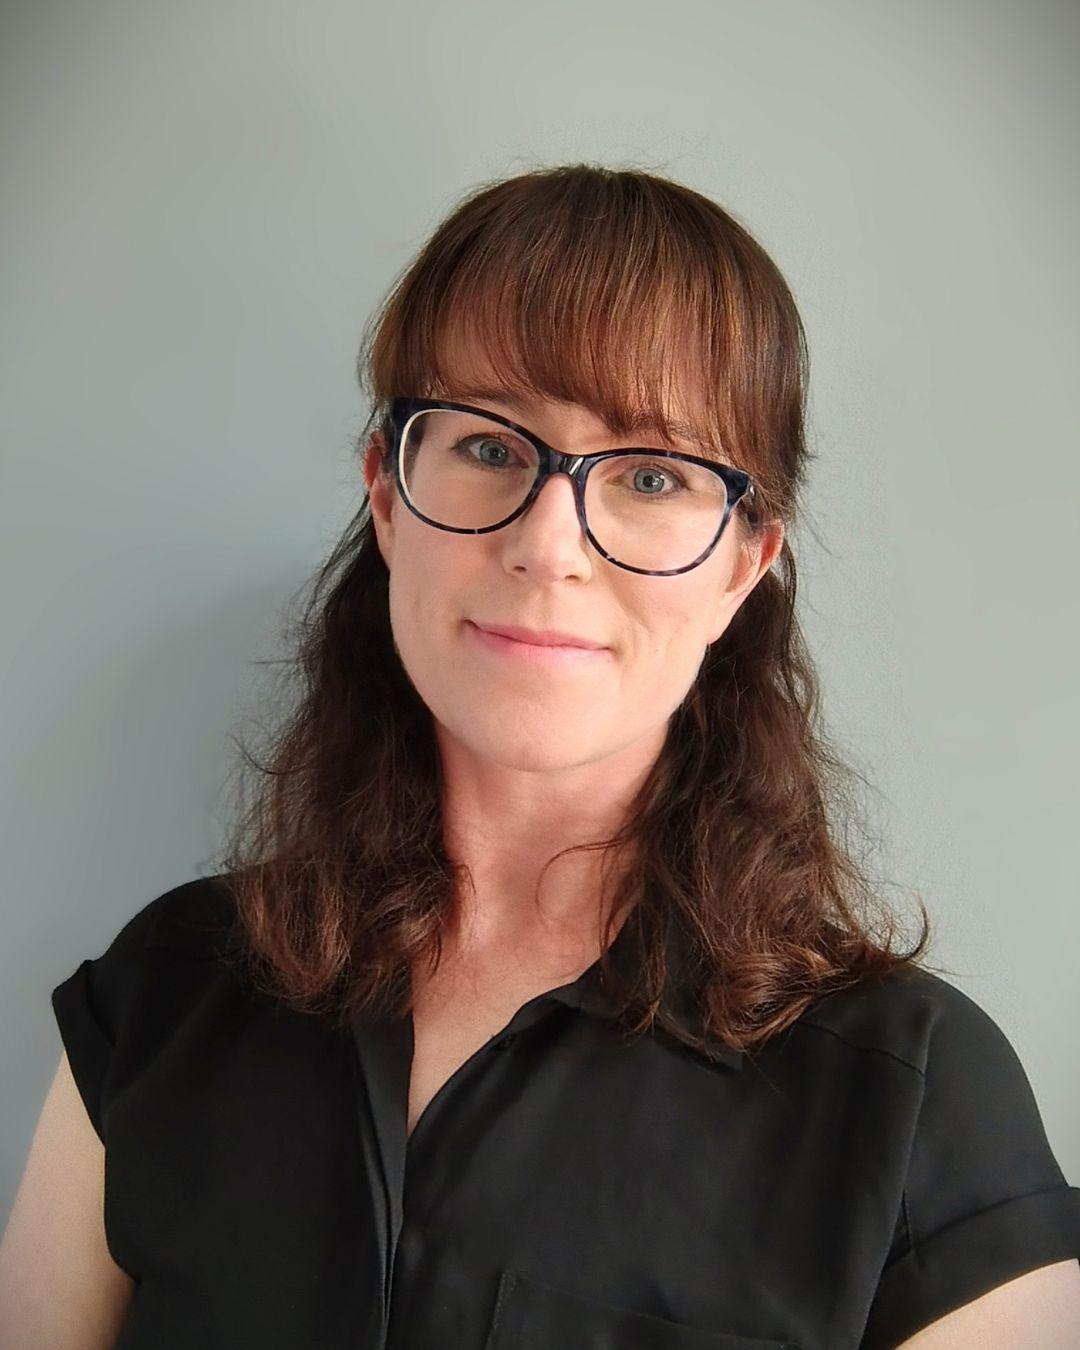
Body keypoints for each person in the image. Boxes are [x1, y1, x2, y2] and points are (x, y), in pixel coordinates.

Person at [3, 162, 1079, 1349]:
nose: (548, 543)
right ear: (386, 493)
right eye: (489, 447)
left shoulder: (916, 1100)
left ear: (744, 562)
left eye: (654, 475)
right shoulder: (163, 993)